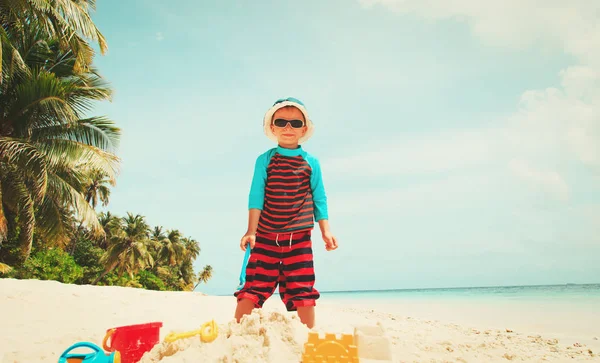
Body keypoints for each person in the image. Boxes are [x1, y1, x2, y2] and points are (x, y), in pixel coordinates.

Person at [233, 97, 338, 329]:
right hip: (265, 237)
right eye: (281, 122)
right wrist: (251, 231)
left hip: (299, 239)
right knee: (254, 285)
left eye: (295, 123)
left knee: (303, 287)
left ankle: (307, 337)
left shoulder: (311, 163)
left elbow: (319, 197)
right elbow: (256, 196)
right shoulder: (266, 160)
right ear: (272, 127)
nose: (288, 128)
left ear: (305, 128)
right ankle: (236, 333)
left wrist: (326, 230)